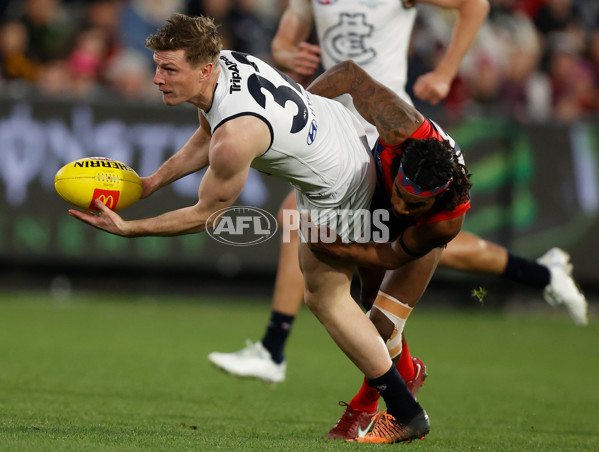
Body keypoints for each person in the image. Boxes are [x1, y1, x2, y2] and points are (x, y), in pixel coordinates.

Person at [67, 13, 434, 444]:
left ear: (203, 69)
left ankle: (405, 410)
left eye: (169, 69)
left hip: (340, 188)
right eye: (157, 66)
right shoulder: (228, 63)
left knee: (327, 298)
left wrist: (131, 229)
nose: (156, 79)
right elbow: (208, 129)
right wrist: (149, 185)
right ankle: (404, 377)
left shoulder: (236, 136)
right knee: (359, 297)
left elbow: (207, 214)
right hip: (351, 137)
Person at [207, 0, 588, 393]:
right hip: (330, 123)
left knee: (378, 235)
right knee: (421, 245)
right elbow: (285, 42)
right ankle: (543, 273)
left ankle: (276, 348)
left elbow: (474, 5)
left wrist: (445, 71)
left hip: (383, 127)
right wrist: (289, 56)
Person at [303, 58, 473, 443]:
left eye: (415, 204)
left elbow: (395, 255)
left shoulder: (444, 218)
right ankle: (408, 371)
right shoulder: (399, 124)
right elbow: (347, 73)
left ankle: (363, 408)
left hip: (412, 237)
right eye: (403, 193)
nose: (403, 206)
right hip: (373, 194)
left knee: (380, 324)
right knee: (364, 300)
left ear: (436, 198)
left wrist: (339, 247)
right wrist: (296, 119)